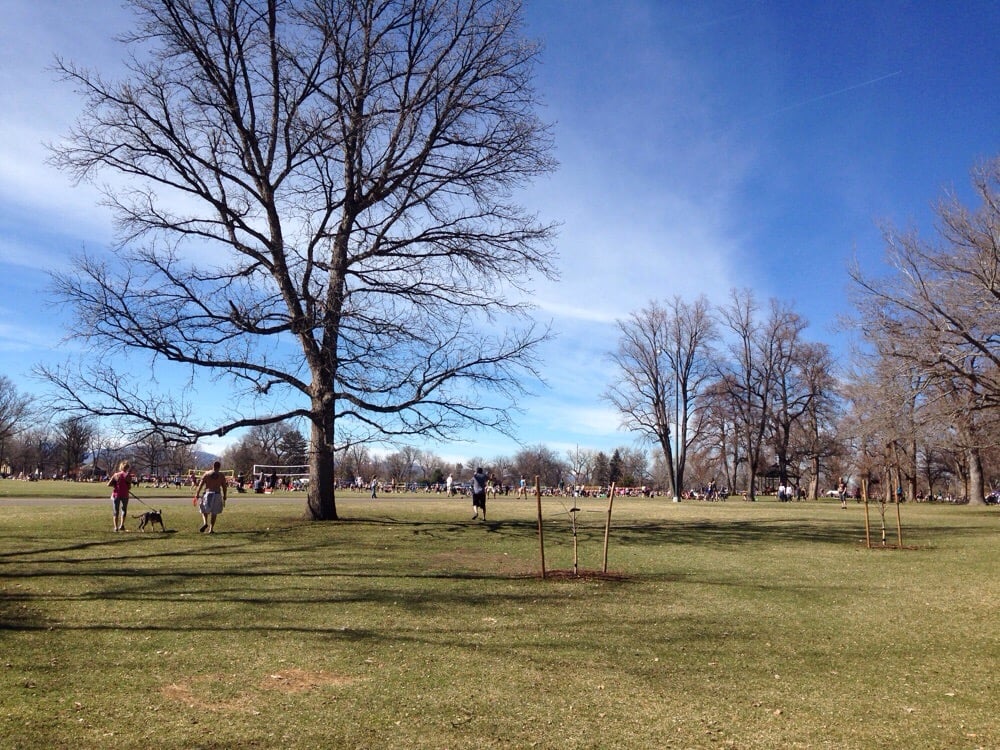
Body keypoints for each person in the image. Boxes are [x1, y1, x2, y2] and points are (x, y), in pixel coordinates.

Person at [194, 461, 228, 533]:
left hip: (208, 493)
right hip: (217, 494)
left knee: (204, 509)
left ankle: (205, 523)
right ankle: (211, 529)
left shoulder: (207, 474)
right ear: (219, 467)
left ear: (213, 466)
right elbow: (224, 487)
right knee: (214, 512)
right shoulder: (221, 475)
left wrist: (197, 494)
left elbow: (200, 485)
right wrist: (225, 495)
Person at [108, 460, 132, 532]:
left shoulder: (116, 475)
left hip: (116, 494)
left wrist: (115, 485)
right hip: (125, 494)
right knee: (124, 510)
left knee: (116, 511)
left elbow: (108, 484)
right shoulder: (128, 476)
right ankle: (121, 525)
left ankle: (116, 527)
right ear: (127, 468)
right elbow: (129, 487)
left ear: (121, 467)